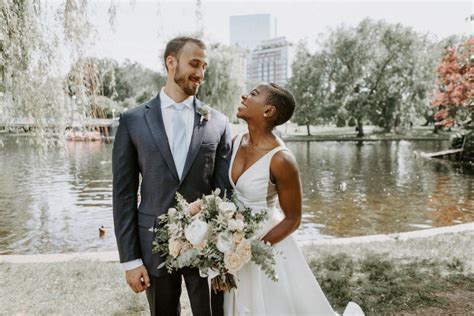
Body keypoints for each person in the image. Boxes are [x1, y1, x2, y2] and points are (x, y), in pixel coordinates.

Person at [112, 36, 232, 316]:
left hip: (208, 248)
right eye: (194, 64)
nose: (201, 74)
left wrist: (226, 248)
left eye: (204, 67)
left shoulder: (218, 122)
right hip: (153, 246)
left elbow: (224, 191)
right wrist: (130, 260)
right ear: (171, 62)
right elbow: (124, 194)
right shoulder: (133, 121)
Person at [224, 83, 364, 316]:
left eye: (253, 94)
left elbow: (293, 219)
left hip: (266, 240)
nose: (244, 96)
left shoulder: (281, 159)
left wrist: (253, 248)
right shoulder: (236, 142)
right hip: (233, 235)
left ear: (268, 111)